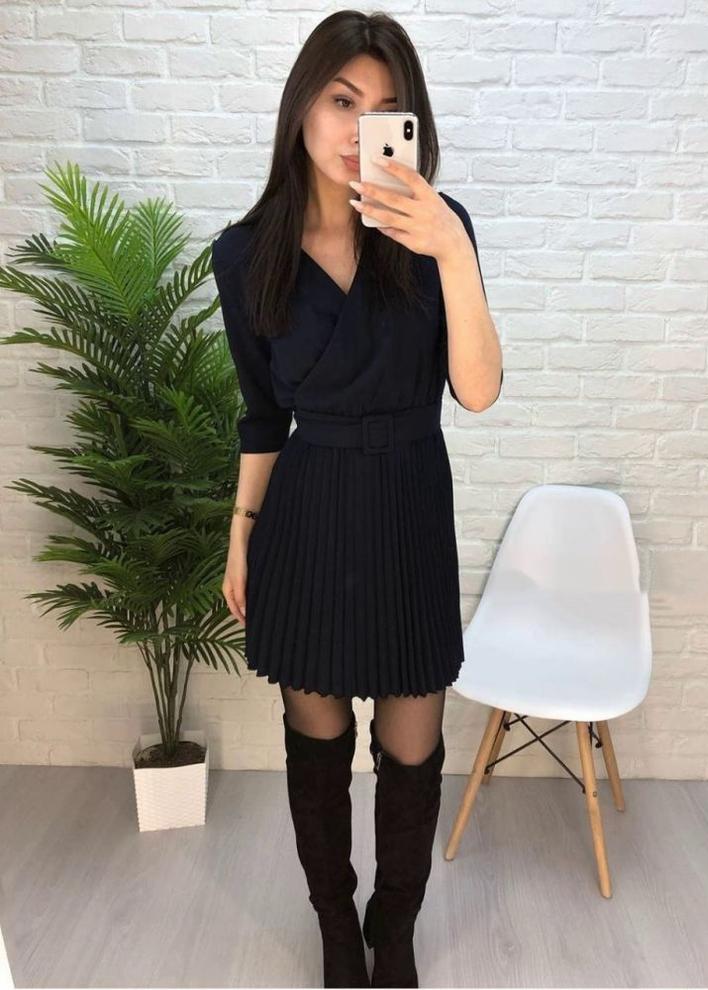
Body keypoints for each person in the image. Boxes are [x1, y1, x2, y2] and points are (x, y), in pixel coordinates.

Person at [210, 11, 503, 988]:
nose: (357, 127)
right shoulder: (246, 254)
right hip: (308, 512)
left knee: (413, 746)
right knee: (318, 740)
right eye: (342, 100)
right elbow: (262, 417)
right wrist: (241, 536)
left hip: (410, 504)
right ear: (302, 104)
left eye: (384, 108)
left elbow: (478, 390)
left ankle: (396, 925)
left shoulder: (434, 231)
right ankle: (337, 926)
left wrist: (453, 250)